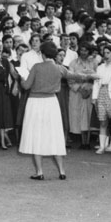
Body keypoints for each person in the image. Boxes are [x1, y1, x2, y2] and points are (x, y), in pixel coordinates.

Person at [19, 41, 96, 180]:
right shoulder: (59, 68)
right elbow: (75, 76)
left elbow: (26, 86)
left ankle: (40, 172)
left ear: (42, 54)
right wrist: (89, 75)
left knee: (37, 136)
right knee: (55, 135)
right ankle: (61, 171)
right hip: (51, 103)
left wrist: (21, 77)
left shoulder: (36, 67)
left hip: (35, 103)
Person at [92, 44, 111, 154]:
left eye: (108, 53)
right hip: (101, 94)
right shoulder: (100, 67)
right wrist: (94, 98)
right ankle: (102, 146)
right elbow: (96, 83)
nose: (106, 55)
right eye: (104, 53)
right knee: (102, 122)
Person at [68, 42, 98, 150]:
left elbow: (98, 77)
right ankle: (82, 141)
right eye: (81, 50)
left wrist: (89, 89)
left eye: (85, 50)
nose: (83, 52)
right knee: (79, 116)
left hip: (90, 92)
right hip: (77, 93)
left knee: (88, 115)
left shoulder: (94, 62)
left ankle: (88, 142)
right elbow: (70, 78)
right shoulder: (73, 63)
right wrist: (80, 89)